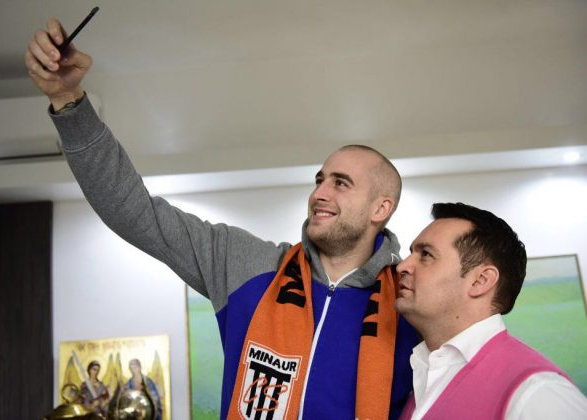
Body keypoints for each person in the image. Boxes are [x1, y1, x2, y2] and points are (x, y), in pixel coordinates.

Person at [25, 18, 418, 419]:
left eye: (341, 183)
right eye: (320, 180)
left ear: (381, 209)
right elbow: (133, 210)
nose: (320, 193)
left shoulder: (412, 301)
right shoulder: (244, 263)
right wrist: (68, 101)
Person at [395, 202, 587, 419]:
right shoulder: (423, 373)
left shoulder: (539, 392)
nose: (402, 266)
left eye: (426, 255)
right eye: (411, 253)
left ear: (480, 280)